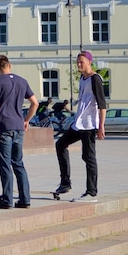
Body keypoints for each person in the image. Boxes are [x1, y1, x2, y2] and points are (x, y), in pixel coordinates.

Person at [0, 54, 38, 209]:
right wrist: (26, 120)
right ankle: (25, 199)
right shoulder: (22, 81)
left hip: (4, 127)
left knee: (5, 164)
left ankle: (7, 199)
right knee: (18, 163)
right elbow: (35, 103)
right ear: (9, 65)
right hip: (19, 127)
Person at [55, 51, 107, 202]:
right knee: (60, 144)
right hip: (79, 123)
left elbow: (102, 104)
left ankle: (91, 193)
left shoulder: (95, 79)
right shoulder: (82, 79)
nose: (79, 64)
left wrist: (101, 126)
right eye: (77, 62)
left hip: (90, 124)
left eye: (81, 62)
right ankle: (65, 182)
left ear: (89, 62)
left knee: (88, 157)